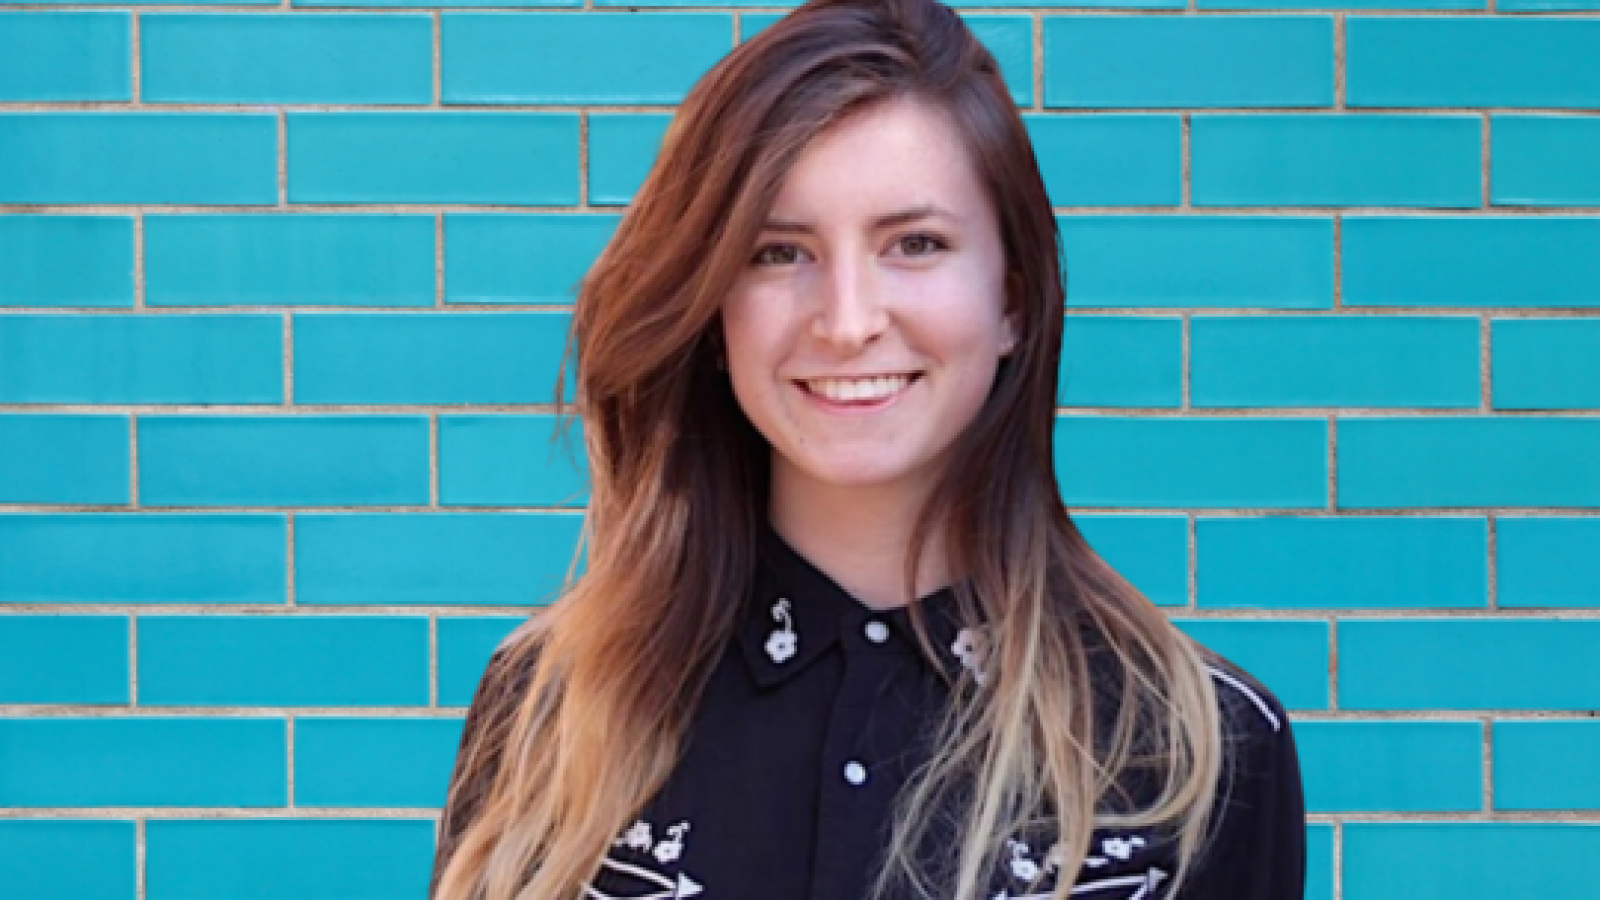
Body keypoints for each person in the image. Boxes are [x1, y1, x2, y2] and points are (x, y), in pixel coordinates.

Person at [430, 1, 1306, 898]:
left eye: (914, 244)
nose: (847, 323)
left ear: (1013, 298)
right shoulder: (552, 707)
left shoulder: (1196, 747)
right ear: (713, 310)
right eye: (777, 253)